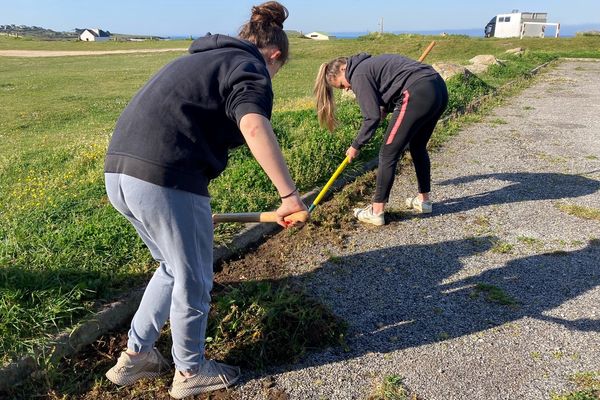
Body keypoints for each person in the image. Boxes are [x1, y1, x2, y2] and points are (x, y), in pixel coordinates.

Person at [103, 2, 306, 397]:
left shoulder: (201, 59)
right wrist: (289, 196)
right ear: (274, 55)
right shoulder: (249, 67)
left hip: (120, 173)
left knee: (170, 268)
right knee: (194, 278)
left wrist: (188, 213)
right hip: (167, 175)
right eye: (277, 71)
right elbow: (252, 123)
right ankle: (191, 371)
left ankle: (135, 356)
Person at [314, 53, 448, 226]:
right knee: (417, 146)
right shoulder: (367, 65)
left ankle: (376, 212)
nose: (347, 88)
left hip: (416, 92)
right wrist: (384, 108)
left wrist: (356, 145)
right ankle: (424, 201)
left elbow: (371, 118)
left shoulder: (358, 74)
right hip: (437, 87)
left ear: (342, 69)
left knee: (387, 154)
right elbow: (390, 86)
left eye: (342, 85)